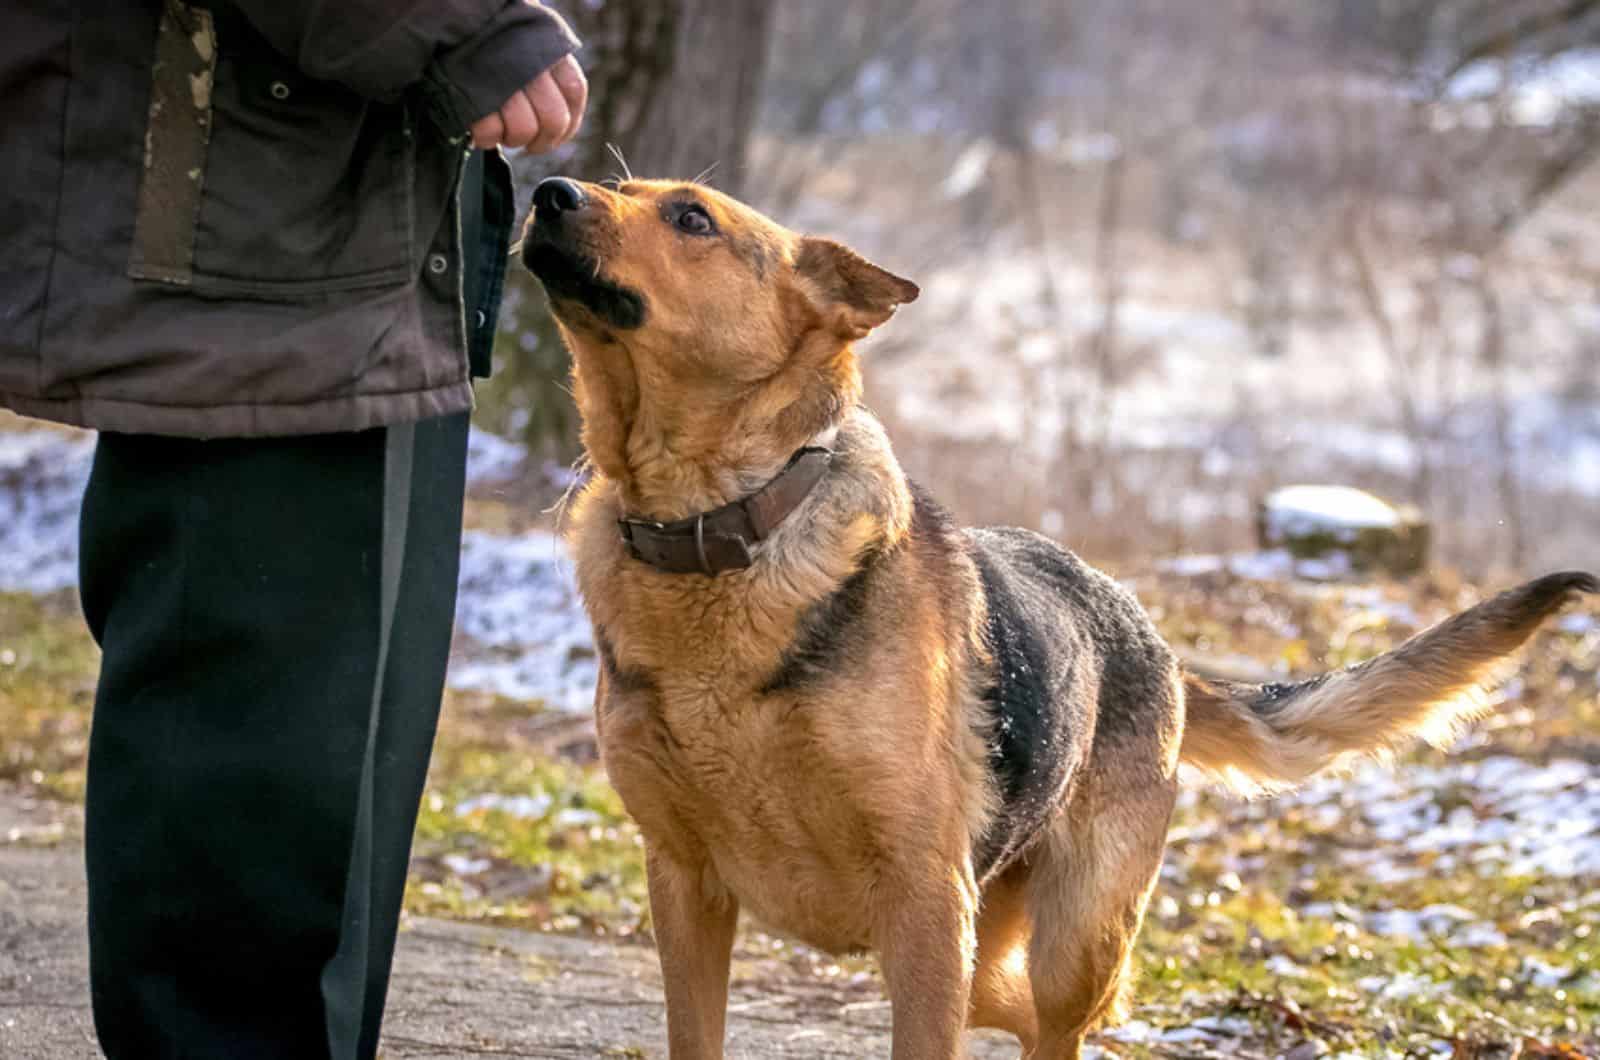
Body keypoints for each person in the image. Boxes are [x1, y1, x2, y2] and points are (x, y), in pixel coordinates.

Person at [0, 3, 588, 1056]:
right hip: (265, 250)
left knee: (305, 857)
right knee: (249, 868)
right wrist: (465, 28)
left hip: (331, 226)